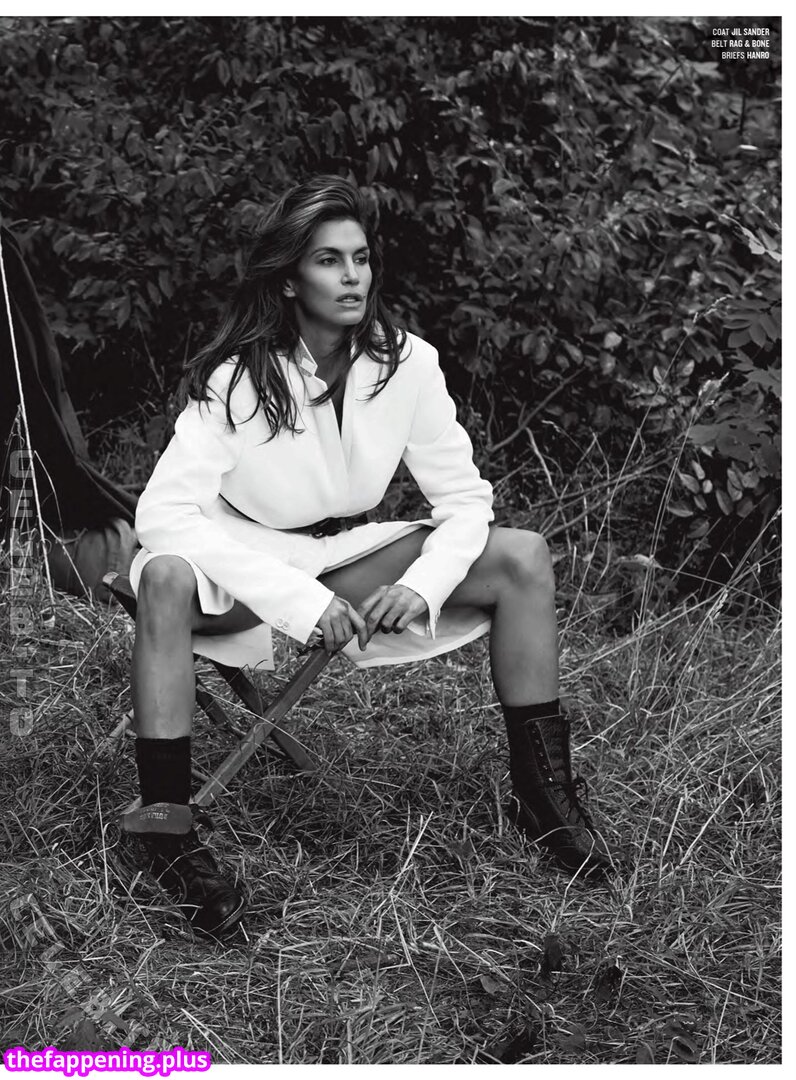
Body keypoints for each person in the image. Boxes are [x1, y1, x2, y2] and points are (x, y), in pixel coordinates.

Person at [122, 175, 611, 939]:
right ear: (291, 279)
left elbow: (466, 501)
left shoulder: (408, 363)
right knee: (161, 573)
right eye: (328, 260)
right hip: (236, 557)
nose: (352, 276)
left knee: (522, 556)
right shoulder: (239, 377)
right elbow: (161, 514)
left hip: (338, 549)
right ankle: (168, 833)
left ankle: (545, 798)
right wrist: (301, 603)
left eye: (360, 257)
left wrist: (424, 585)